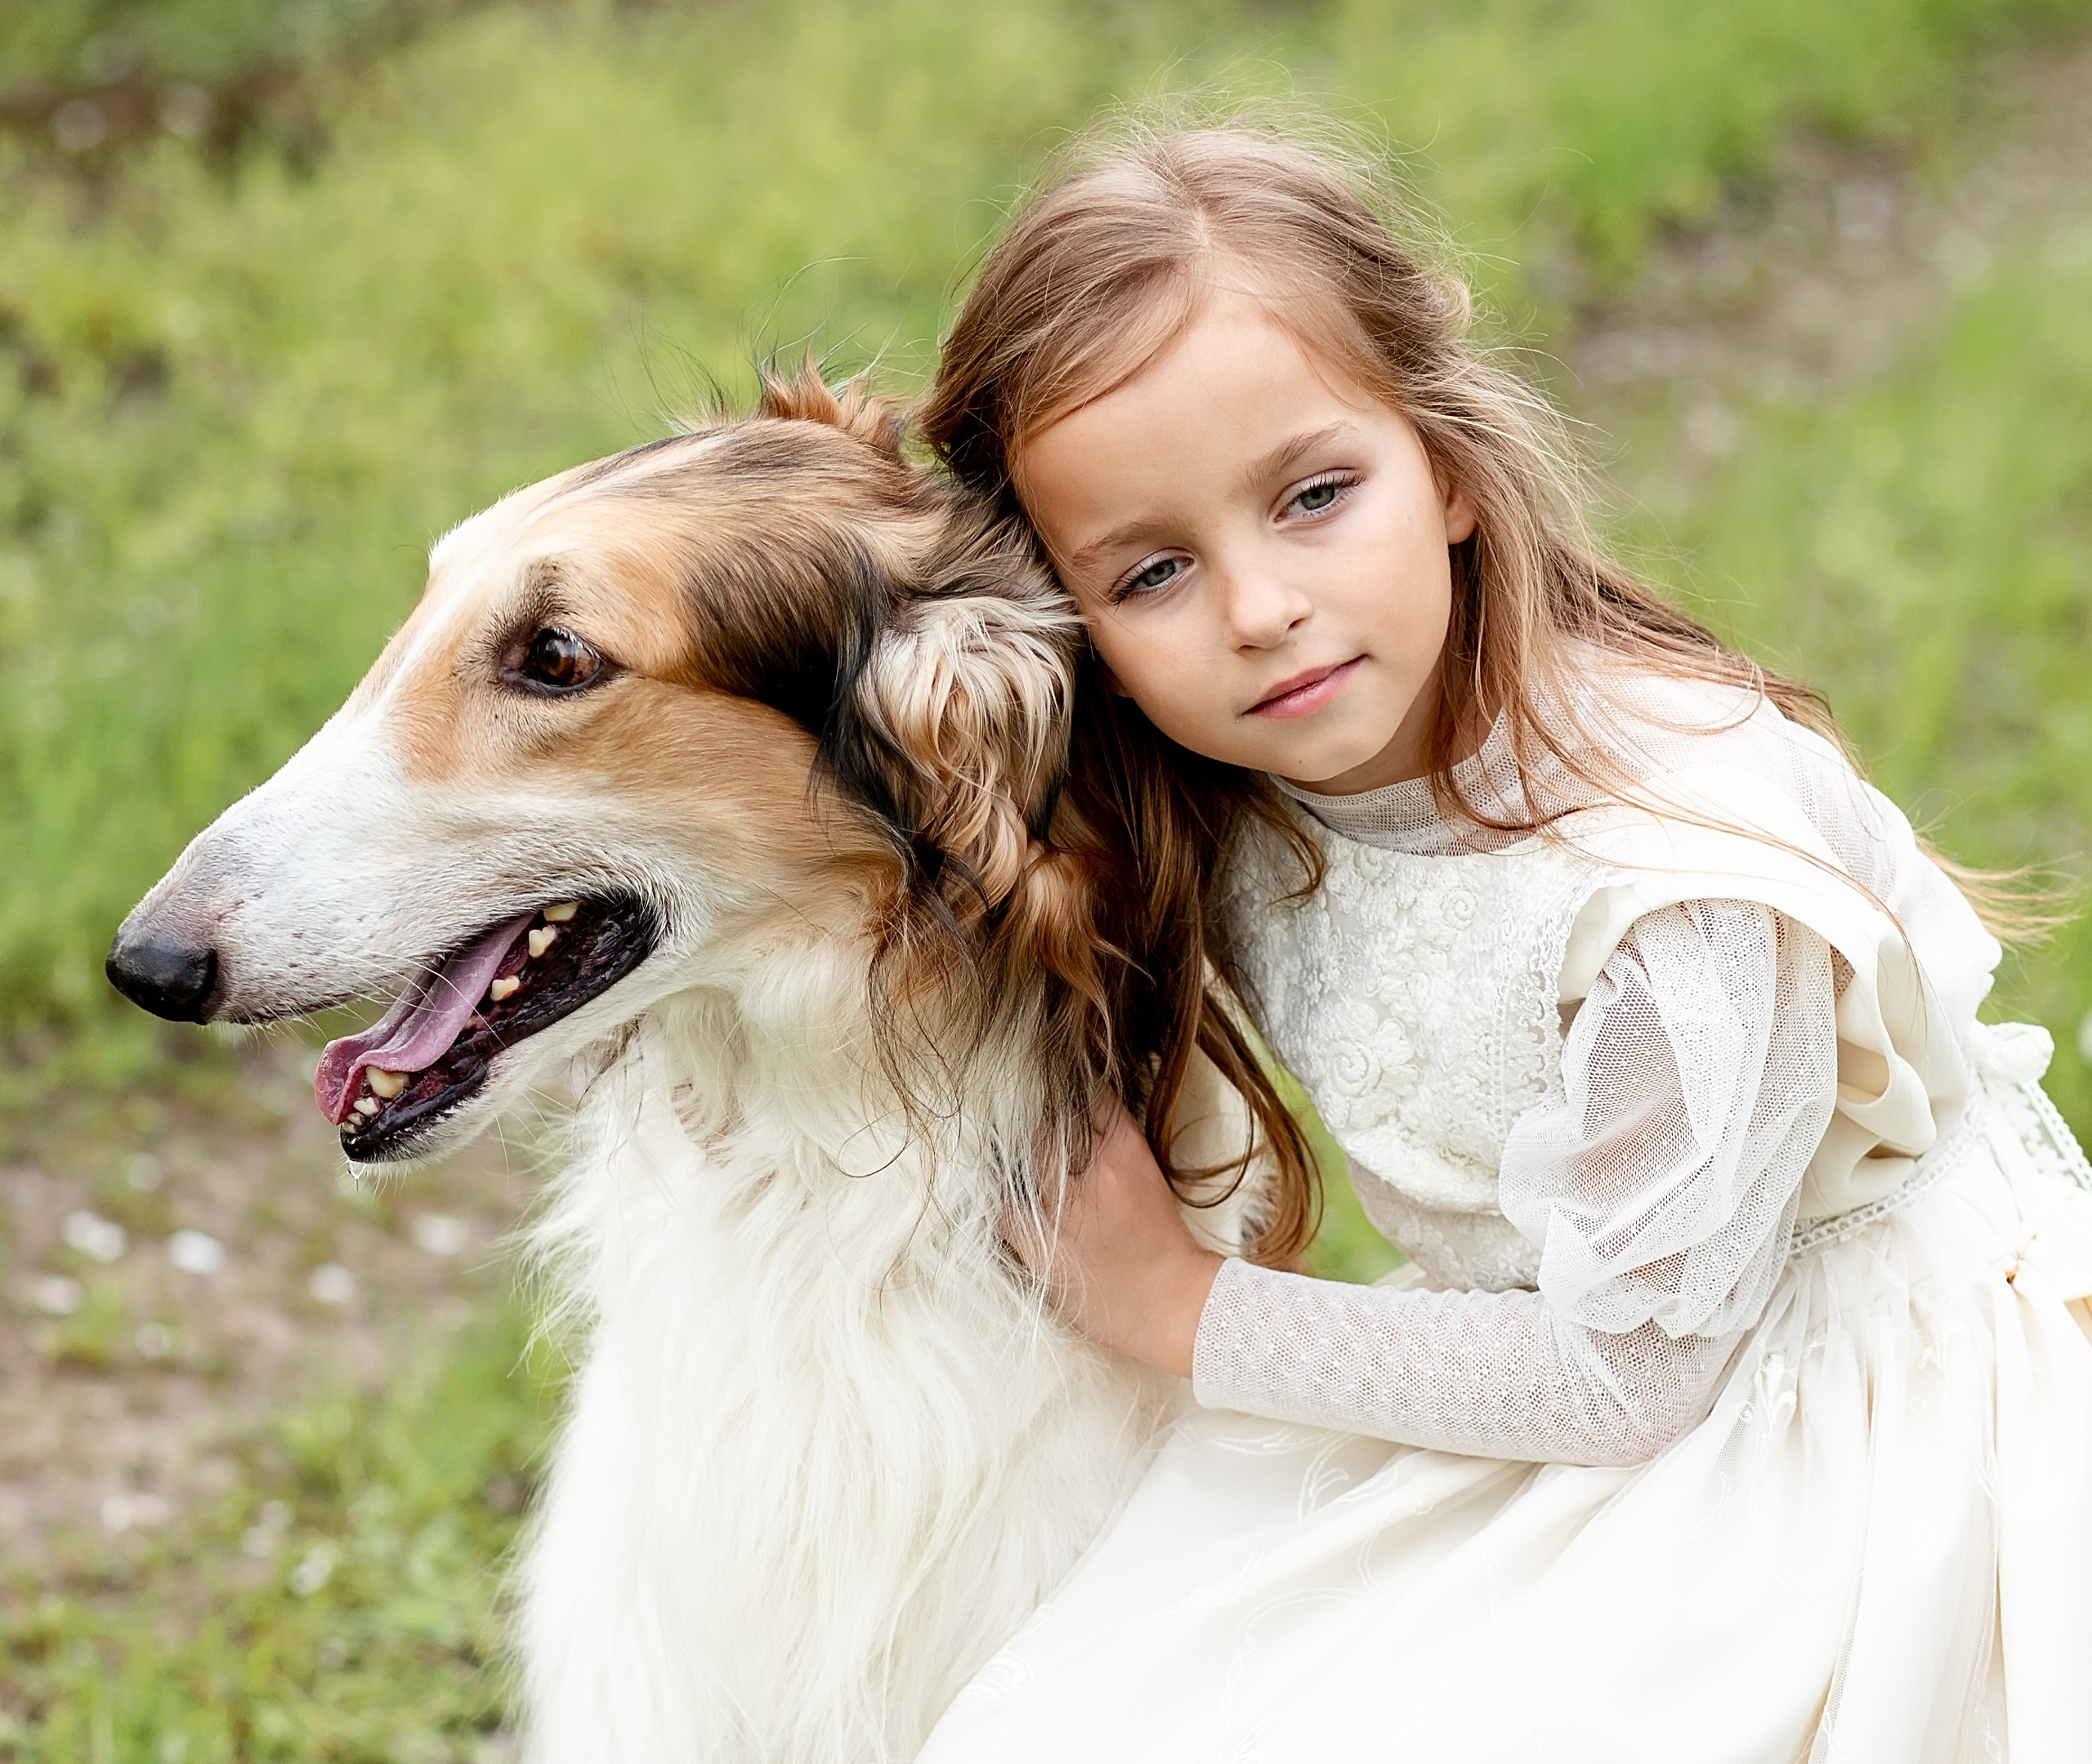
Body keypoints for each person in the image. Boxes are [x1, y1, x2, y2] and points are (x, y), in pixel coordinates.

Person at [909, 117, 2092, 1762]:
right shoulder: (1223, 796)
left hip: (1819, 1424)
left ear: (1448, 466)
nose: (1258, 609)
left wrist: (1180, 1305)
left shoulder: (1674, 882)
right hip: (1569, 1360)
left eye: (1314, 496)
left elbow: (1628, 1379)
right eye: (1154, 570)